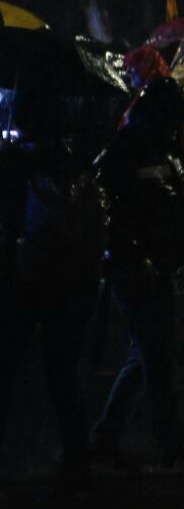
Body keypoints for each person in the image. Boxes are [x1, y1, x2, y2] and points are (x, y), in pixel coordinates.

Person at [90, 77, 184, 469]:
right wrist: (135, 255)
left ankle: (107, 435)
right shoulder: (126, 151)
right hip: (136, 268)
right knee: (156, 357)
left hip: (158, 267)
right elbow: (112, 211)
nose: (176, 129)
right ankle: (169, 442)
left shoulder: (165, 149)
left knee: (146, 354)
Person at [0, 89, 105, 483]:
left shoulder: (13, 162)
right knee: (63, 374)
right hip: (69, 282)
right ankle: (77, 462)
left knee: (6, 371)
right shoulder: (77, 162)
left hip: (19, 279)